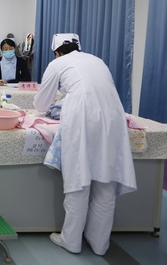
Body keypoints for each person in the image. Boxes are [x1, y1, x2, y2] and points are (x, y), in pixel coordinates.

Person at [34, 33, 136, 256]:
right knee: (105, 179)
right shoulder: (97, 60)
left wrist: (55, 103)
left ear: (56, 52)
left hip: (81, 117)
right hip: (113, 116)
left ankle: (71, 240)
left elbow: (41, 104)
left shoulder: (57, 63)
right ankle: (99, 243)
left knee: (78, 178)